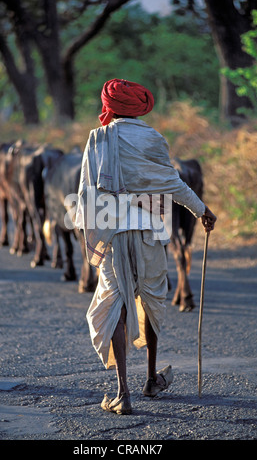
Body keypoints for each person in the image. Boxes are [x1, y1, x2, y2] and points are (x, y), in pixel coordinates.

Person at [75, 78, 216, 415]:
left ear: (109, 107)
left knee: (115, 305)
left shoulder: (98, 138)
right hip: (150, 231)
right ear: (140, 108)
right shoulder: (153, 138)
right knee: (150, 299)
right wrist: (202, 210)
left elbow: (86, 193)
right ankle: (151, 378)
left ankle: (123, 393)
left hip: (112, 232)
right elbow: (172, 183)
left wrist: (92, 234)